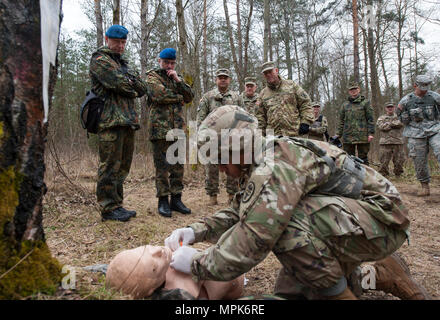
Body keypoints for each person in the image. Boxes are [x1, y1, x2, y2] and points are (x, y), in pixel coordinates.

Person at [165, 105, 430, 300]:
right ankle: (380, 274)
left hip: (383, 220)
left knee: (284, 227)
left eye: (220, 159)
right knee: (290, 293)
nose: (220, 169)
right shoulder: (261, 158)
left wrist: (198, 263)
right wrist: (195, 230)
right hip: (356, 219)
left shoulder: (273, 166)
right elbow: (240, 210)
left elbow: (253, 241)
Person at [89, 25, 149, 222]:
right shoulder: (99, 60)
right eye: (117, 42)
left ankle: (117, 205)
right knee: (109, 166)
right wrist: (129, 83)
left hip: (127, 121)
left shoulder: (123, 63)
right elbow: (120, 84)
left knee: (123, 166)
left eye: (123, 42)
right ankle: (107, 207)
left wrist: (130, 83)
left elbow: (142, 88)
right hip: (110, 121)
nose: (121, 45)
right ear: (107, 39)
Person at [146, 48, 194, 217]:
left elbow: (190, 96)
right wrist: (179, 97)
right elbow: (159, 95)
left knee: (178, 166)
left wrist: (178, 81)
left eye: (172, 63)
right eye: (166, 62)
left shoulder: (176, 77)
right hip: (160, 129)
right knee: (162, 167)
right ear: (159, 61)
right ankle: (163, 200)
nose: (169, 66)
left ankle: (176, 199)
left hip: (178, 128)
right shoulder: (152, 76)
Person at [105, 245, 244, 300]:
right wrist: (203, 262)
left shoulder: (164, 263)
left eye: (145, 249)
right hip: (232, 275)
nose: (157, 251)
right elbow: (228, 279)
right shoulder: (183, 292)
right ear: (151, 289)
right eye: (154, 266)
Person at [197, 68, 244, 205]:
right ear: (216, 80)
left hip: (232, 138)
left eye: (225, 77)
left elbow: (243, 115)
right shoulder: (208, 97)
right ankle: (213, 196)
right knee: (211, 167)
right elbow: (201, 118)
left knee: (233, 166)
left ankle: (232, 195)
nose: (223, 79)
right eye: (220, 77)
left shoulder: (236, 97)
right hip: (213, 138)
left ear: (229, 80)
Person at [396, 75, 440, 196]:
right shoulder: (406, 100)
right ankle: (424, 186)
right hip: (415, 133)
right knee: (419, 160)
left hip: (434, 129)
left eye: (426, 86)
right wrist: (405, 119)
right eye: (422, 86)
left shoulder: (435, 97)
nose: (424, 89)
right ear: (415, 85)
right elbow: (399, 115)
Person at [255, 61, 314, 137]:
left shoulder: (292, 86)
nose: (268, 75)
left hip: (294, 133)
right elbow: (260, 118)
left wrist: (305, 121)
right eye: (266, 73)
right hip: (272, 137)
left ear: (276, 70)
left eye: (270, 71)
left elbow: (305, 103)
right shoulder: (262, 94)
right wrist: (260, 137)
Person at [334, 83, 374, 165]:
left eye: (355, 89)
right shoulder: (345, 105)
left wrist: (371, 133)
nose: (353, 91)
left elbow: (370, 119)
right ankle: (351, 175)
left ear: (358, 90)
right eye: (351, 90)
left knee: (363, 158)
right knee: (348, 158)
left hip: (362, 135)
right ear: (349, 91)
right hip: (348, 135)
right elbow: (341, 120)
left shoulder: (365, 103)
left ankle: (365, 175)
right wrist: (338, 134)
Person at [376, 102, 405, 177]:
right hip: (385, 142)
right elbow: (381, 127)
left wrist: (388, 123)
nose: (390, 108)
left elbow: (401, 124)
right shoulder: (381, 118)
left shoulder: (399, 116)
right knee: (383, 160)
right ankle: (384, 175)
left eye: (391, 107)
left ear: (394, 108)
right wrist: (393, 124)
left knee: (399, 160)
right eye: (388, 107)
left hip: (397, 141)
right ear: (386, 108)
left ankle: (398, 175)